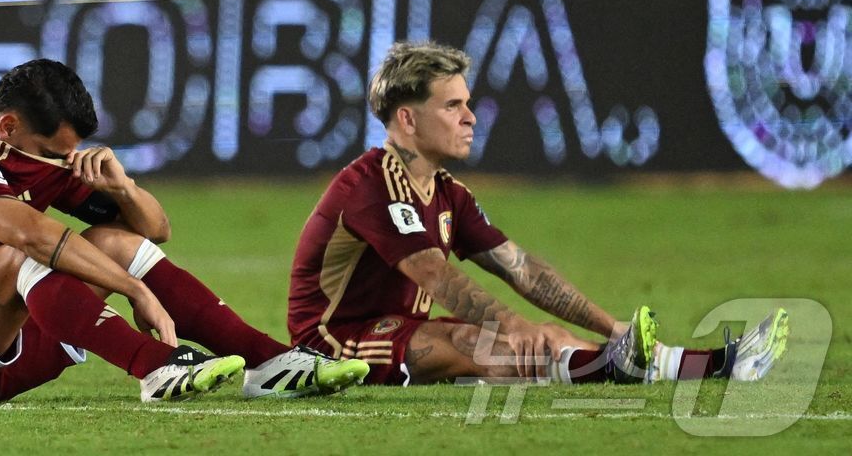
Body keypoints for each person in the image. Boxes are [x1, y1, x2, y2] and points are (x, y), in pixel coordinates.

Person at [0, 58, 370, 404]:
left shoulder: (35, 156)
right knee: (23, 253)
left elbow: (154, 230)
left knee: (115, 242)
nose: (63, 164)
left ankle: (270, 363)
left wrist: (122, 189)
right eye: (55, 152)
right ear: (8, 127)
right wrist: (134, 291)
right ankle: (156, 367)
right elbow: (33, 239)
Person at [288, 40, 790, 386]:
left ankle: (710, 365)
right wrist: (512, 325)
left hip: (397, 330)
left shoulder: (448, 193)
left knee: (551, 338)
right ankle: (621, 369)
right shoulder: (372, 185)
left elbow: (523, 270)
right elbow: (434, 275)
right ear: (407, 118)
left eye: (468, 103)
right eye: (452, 106)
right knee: (483, 341)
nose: (470, 117)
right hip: (335, 344)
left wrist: (611, 325)